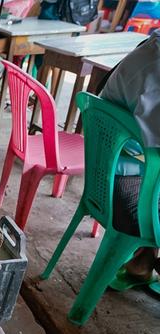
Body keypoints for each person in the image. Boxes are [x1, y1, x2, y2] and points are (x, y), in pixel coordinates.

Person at [100, 30, 160, 288]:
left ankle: (141, 263)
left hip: (111, 172)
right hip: (124, 186)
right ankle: (143, 260)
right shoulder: (156, 68)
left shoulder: (151, 48)